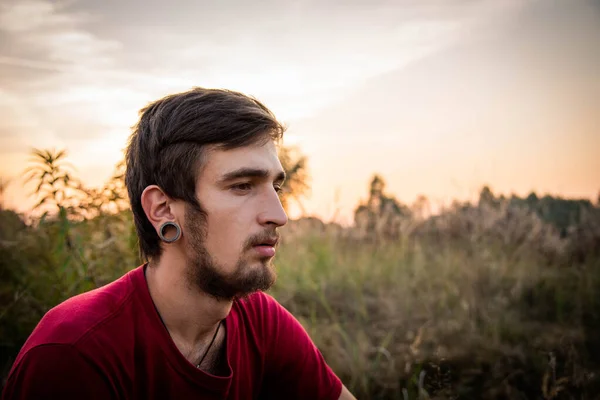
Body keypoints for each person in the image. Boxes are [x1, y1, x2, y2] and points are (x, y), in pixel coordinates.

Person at [1, 88, 356, 400]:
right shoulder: (73, 354)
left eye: (275, 188)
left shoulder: (260, 322)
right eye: (242, 186)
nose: (278, 215)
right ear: (163, 209)